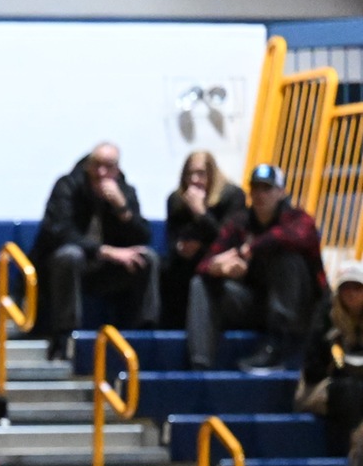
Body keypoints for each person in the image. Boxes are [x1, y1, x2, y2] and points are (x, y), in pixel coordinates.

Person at [187, 162, 324, 372]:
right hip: (258, 305)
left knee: (287, 257)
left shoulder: (298, 218)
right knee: (200, 282)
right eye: (255, 188)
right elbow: (205, 263)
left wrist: (248, 249)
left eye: (267, 188)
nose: (260, 194)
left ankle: (277, 347)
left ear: (281, 192)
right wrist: (218, 268)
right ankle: (199, 362)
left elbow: (292, 237)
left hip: (301, 310)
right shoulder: (240, 222)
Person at [34, 143, 157, 358]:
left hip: (105, 271)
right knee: (69, 255)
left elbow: (143, 237)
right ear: (88, 166)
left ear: (117, 170)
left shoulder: (125, 191)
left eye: (108, 167)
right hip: (64, 268)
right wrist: (105, 251)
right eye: (96, 165)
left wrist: (122, 209)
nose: (101, 172)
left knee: (147, 258)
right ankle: (65, 336)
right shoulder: (68, 185)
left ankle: (143, 334)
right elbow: (59, 232)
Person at [162, 149, 244, 330]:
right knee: (166, 270)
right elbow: (172, 238)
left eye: (200, 174)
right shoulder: (175, 200)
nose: (194, 180)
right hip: (185, 263)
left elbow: (228, 239)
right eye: (189, 174)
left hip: (219, 262)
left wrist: (201, 213)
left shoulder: (232, 196)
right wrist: (180, 248)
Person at [304, 261, 363, 466]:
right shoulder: (326, 317)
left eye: (357, 288)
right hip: (319, 388)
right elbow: (311, 371)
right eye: (346, 288)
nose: (351, 293)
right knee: (352, 390)